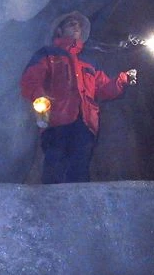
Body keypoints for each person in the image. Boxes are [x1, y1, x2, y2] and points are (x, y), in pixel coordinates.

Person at [20, 11, 136, 184]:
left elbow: (104, 88)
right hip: (56, 123)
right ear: (59, 31)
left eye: (79, 25)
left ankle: (78, 209)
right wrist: (40, 98)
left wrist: (122, 79)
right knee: (55, 168)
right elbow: (29, 80)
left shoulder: (88, 62)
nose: (77, 27)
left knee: (79, 170)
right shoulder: (47, 55)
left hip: (84, 124)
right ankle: (51, 207)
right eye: (71, 24)